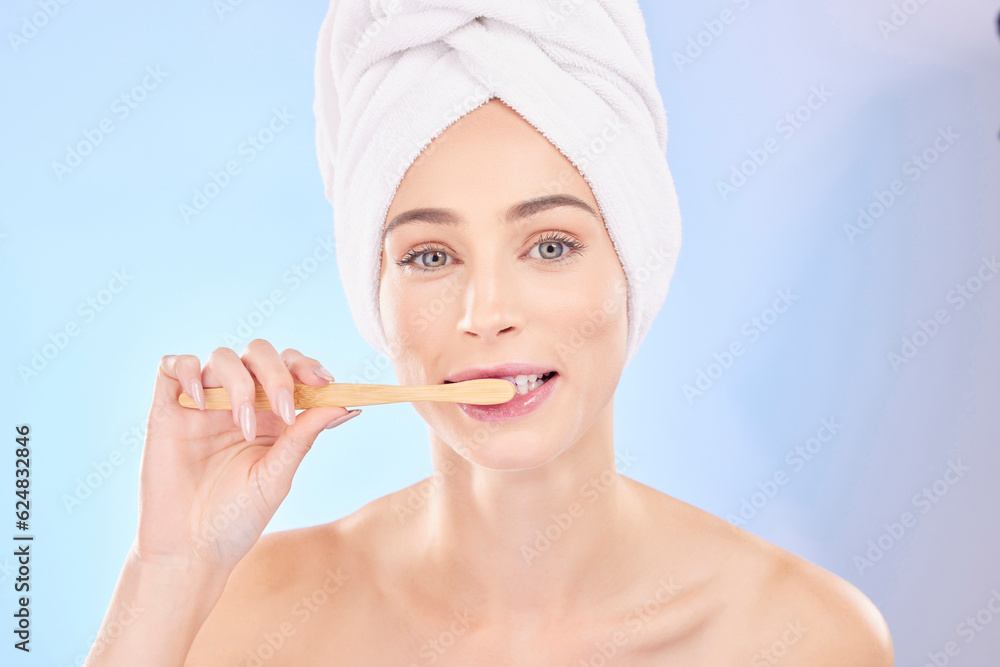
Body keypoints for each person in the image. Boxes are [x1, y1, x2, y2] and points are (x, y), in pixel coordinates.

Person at [85, 97, 892, 666]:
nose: (486, 311)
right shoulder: (238, 614)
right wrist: (170, 574)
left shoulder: (801, 637)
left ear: (634, 268)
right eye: (430, 256)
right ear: (379, 296)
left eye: (549, 244)